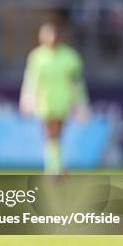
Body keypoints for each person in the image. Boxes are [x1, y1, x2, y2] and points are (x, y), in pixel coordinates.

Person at [20, 19, 89, 175]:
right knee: (51, 133)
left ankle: (55, 166)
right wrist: (27, 98)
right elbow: (31, 80)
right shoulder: (36, 56)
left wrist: (81, 104)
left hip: (62, 101)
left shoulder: (70, 57)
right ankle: (55, 167)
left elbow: (77, 83)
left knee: (55, 134)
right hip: (44, 101)